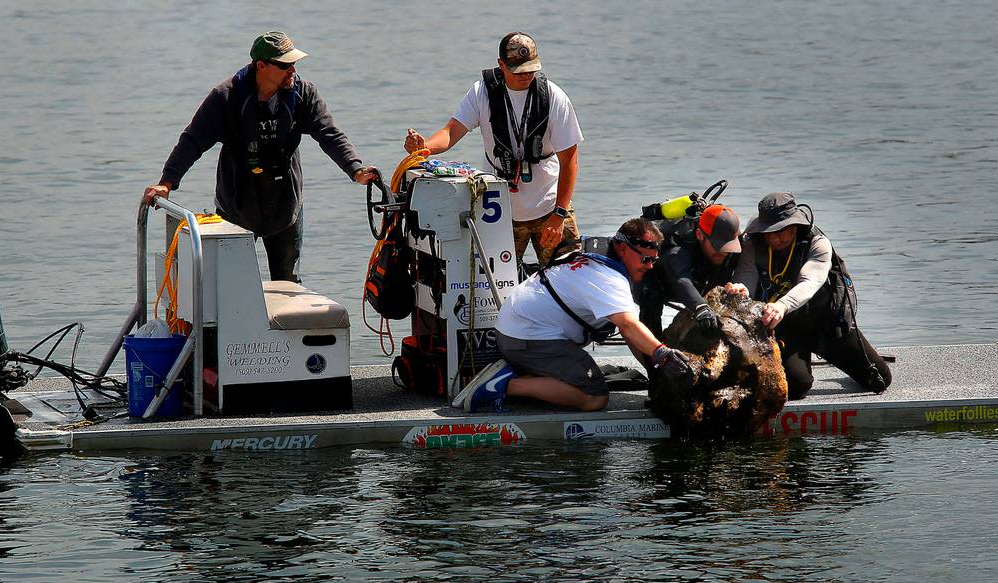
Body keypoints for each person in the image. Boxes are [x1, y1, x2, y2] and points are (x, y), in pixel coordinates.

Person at [143, 30, 378, 282]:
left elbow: (329, 134)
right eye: (284, 65)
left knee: (288, 284)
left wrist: (356, 170)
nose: (292, 70)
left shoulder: (303, 94)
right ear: (261, 66)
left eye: (294, 63)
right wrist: (166, 183)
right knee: (231, 285)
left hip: (285, 206)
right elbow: (191, 141)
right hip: (237, 206)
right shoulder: (226, 97)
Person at [453, 217, 692, 413]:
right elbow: (629, 326)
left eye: (654, 260)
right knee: (594, 396)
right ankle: (503, 384)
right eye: (645, 259)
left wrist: (655, 371)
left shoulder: (595, 257)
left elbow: (631, 332)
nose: (650, 266)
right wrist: (663, 354)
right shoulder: (607, 278)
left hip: (518, 328)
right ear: (622, 248)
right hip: (527, 337)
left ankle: (523, 371)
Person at [403, 32, 583, 266]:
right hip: (500, 211)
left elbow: (570, 160)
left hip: (550, 208)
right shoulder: (481, 93)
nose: (526, 75)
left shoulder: (553, 97)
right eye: (519, 69)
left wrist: (559, 215)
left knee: (571, 274)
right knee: (491, 287)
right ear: (501, 65)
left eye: (531, 68)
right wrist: (424, 147)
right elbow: (452, 131)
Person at [726, 192, 892, 399]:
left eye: (779, 230)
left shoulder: (818, 243)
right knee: (796, 388)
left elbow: (809, 282)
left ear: (794, 226)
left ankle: (834, 356)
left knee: (881, 380)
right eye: (768, 231)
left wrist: (781, 306)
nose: (772, 237)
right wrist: (740, 290)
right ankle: (800, 357)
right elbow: (747, 275)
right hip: (785, 328)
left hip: (826, 326)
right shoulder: (752, 243)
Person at [638, 203, 743, 337]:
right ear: (699, 235)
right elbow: (680, 279)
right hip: (658, 278)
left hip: (699, 274)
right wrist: (700, 306)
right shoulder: (678, 248)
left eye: (728, 246)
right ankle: (652, 351)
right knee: (650, 295)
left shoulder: (735, 238)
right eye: (718, 245)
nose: (724, 251)